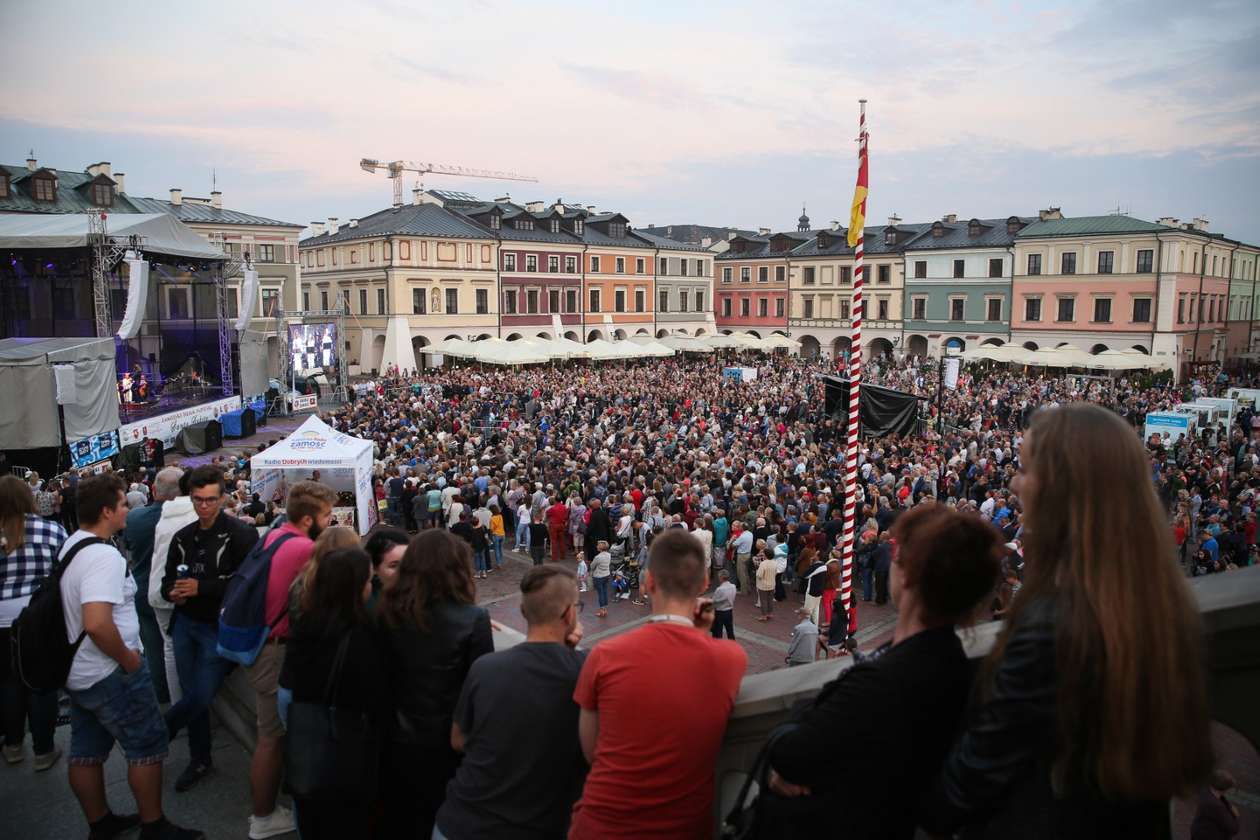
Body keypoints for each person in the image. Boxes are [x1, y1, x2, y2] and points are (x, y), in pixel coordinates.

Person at [922, 405, 1214, 838]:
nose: (1014, 483)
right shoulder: (1149, 600)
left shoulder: (1054, 625)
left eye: (1023, 470)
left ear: (1062, 488)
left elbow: (965, 786)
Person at [764, 503, 1003, 838]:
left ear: (907, 574)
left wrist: (800, 716)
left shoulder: (882, 682)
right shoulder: (954, 663)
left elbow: (789, 753)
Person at [568, 528, 747, 839]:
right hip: (683, 830)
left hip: (600, 826)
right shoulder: (731, 659)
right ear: (705, 584)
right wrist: (701, 634)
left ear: (649, 582)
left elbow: (591, 750)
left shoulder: (604, 655)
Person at [60, 474, 204, 840]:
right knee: (146, 746)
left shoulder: (72, 545)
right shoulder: (103, 556)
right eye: (123, 504)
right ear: (107, 511)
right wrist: (128, 660)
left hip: (79, 671)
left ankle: (100, 823)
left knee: (86, 752)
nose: (128, 509)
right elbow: (96, 622)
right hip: (110, 671)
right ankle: (154, 825)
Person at [435, 565, 587, 840]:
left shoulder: (485, 668)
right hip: (536, 826)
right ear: (569, 613)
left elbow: (458, 739)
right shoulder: (586, 671)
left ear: (524, 611)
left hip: (460, 823)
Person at [376, 529, 493, 838]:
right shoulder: (473, 619)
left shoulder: (387, 610)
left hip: (393, 740)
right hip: (447, 744)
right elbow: (479, 689)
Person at [246, 480, 336, 840]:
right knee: (272, 737)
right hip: (277, 648)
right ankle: (264, 817)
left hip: (266, 644)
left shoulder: (275, 535)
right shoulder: (302, 548)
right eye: (327, 515)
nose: (331, 522)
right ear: (308, 518)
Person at [161, 465, 259, 792]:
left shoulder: (241, 534)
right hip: (185, 624)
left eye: (211, 500)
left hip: (218, 628)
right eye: (198, 500)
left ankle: (160, 731)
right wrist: (172, 591)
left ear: (222, 498)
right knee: (195, 697)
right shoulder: (182, 536)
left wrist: (201, 588)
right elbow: (166, 583)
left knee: (200, 695)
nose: (204, 506)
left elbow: (245, 585)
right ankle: (199, 758)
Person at [280, 547, 387, 839]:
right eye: (367, 581)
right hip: (348, 757)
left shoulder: (306, 624)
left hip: (310, 751)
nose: (371, 586)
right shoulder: (362, 637)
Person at [0, 475, 66, 770]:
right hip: (39, 618)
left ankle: (13, 745)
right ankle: (43, 750)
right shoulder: (51, 529)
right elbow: (66, 568)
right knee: (41, 682)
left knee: (7, 683)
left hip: (1, 621)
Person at [123, 469, 180, 703]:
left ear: (154, 490)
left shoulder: (135, 518)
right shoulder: (184, 519)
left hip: (143, 590)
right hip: (171, 591)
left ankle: (162, 694)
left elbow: (128, 547)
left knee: (154, 648)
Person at [364, 526, 409, 610]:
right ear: (373, 568)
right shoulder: (367, 608)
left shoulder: (422, 597)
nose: (405, 570)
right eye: (394, 566)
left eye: (408, 561)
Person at [1190, 768, 1240, 840]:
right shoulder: (1217, 806)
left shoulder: (1205, 790)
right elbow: (1233, 829)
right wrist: (1237, 816)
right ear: (1224, 790)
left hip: (1198, 831)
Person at [710, 569, 736, 640]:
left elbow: (714, 601)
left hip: (720, 612)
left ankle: (717, 647)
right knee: (730, 631)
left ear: (721, 577)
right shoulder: (733, 586)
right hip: (729, 611)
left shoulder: (720, 589)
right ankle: (732, 646)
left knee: (717, 632)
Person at [589, 540, 612, 618]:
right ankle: (605, 609)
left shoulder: (598, 557)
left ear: (600, 548)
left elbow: (592, 566)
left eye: (598, 545)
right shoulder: (609, 555)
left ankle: (602, 610)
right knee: (605, 592)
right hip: (607, 575)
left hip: (599, 576)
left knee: (600, 593)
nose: (596, 546)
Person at [754, 547, 777, 621]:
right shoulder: (774, 563)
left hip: (763, 585)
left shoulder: (763, 564)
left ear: (766, 555)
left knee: (763, 600)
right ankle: (770, 613)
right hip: (772, 584)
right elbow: (776, 573)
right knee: (770, 600)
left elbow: (759, 575)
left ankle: (764, 615)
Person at [488, 504, 506, 570]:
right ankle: (500, 562)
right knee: (501, 549)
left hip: (496, 535)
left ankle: (498, 563)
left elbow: (491, 529)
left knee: (497, 550)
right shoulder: (500, 516)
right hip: (502, 534)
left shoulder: (492, 519)